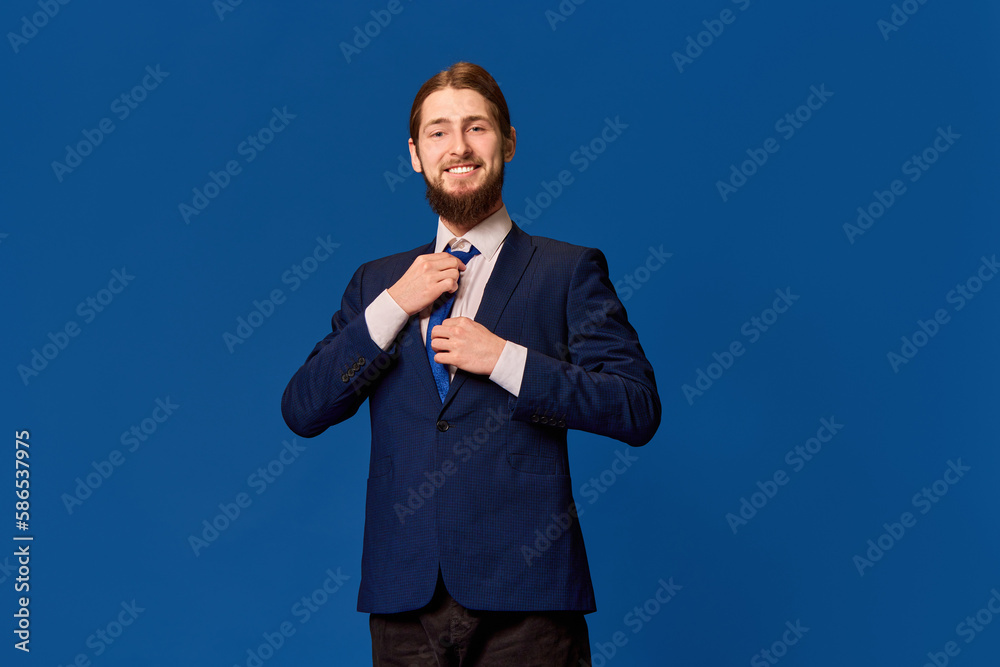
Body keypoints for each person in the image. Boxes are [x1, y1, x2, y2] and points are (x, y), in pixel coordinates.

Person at [281, 61, 661, 665]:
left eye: (476, 128)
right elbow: (304, 409)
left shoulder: (567, 270)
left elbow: (636, 408)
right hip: (404, 603)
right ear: (415, 154)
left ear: (507, 141)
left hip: (528, 604)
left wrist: (506, 359)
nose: (457, 147)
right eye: (438, 132)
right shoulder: (377, 283)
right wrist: (395, 306)